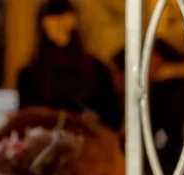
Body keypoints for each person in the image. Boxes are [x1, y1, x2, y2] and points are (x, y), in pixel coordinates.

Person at [17, 0, 121, 131]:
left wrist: (96, 121)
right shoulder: (28, 76)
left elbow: (113, 119)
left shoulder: (97, 70)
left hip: (89, 145)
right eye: (54, 24)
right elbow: (25, 120)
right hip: (44, 147)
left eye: (64, 22)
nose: (60, 29)